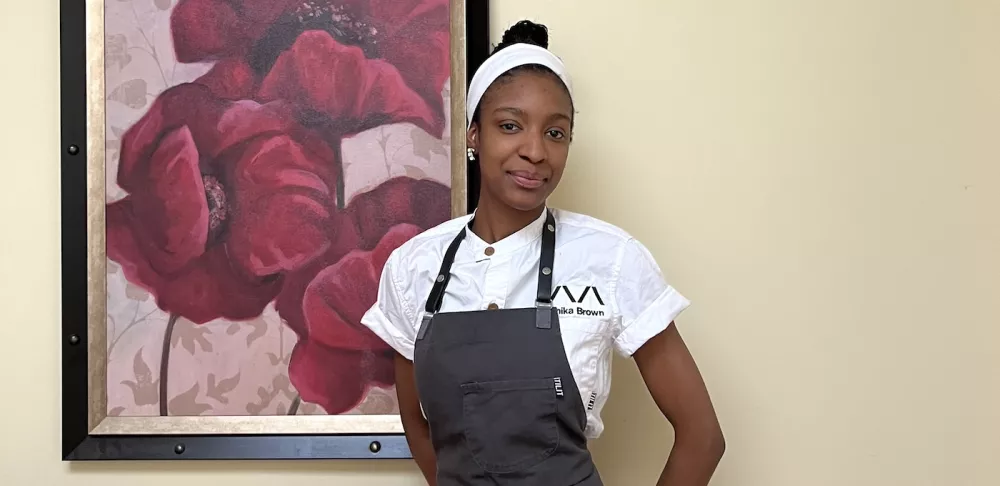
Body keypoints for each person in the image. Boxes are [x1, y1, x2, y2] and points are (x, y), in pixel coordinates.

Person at [360, 19, 725, 486]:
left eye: (556, 133)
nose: (535, 151)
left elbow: (703, 435)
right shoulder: (414, 266)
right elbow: (417, 424)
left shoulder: (612, 259)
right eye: (510, 126)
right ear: (474, 135)